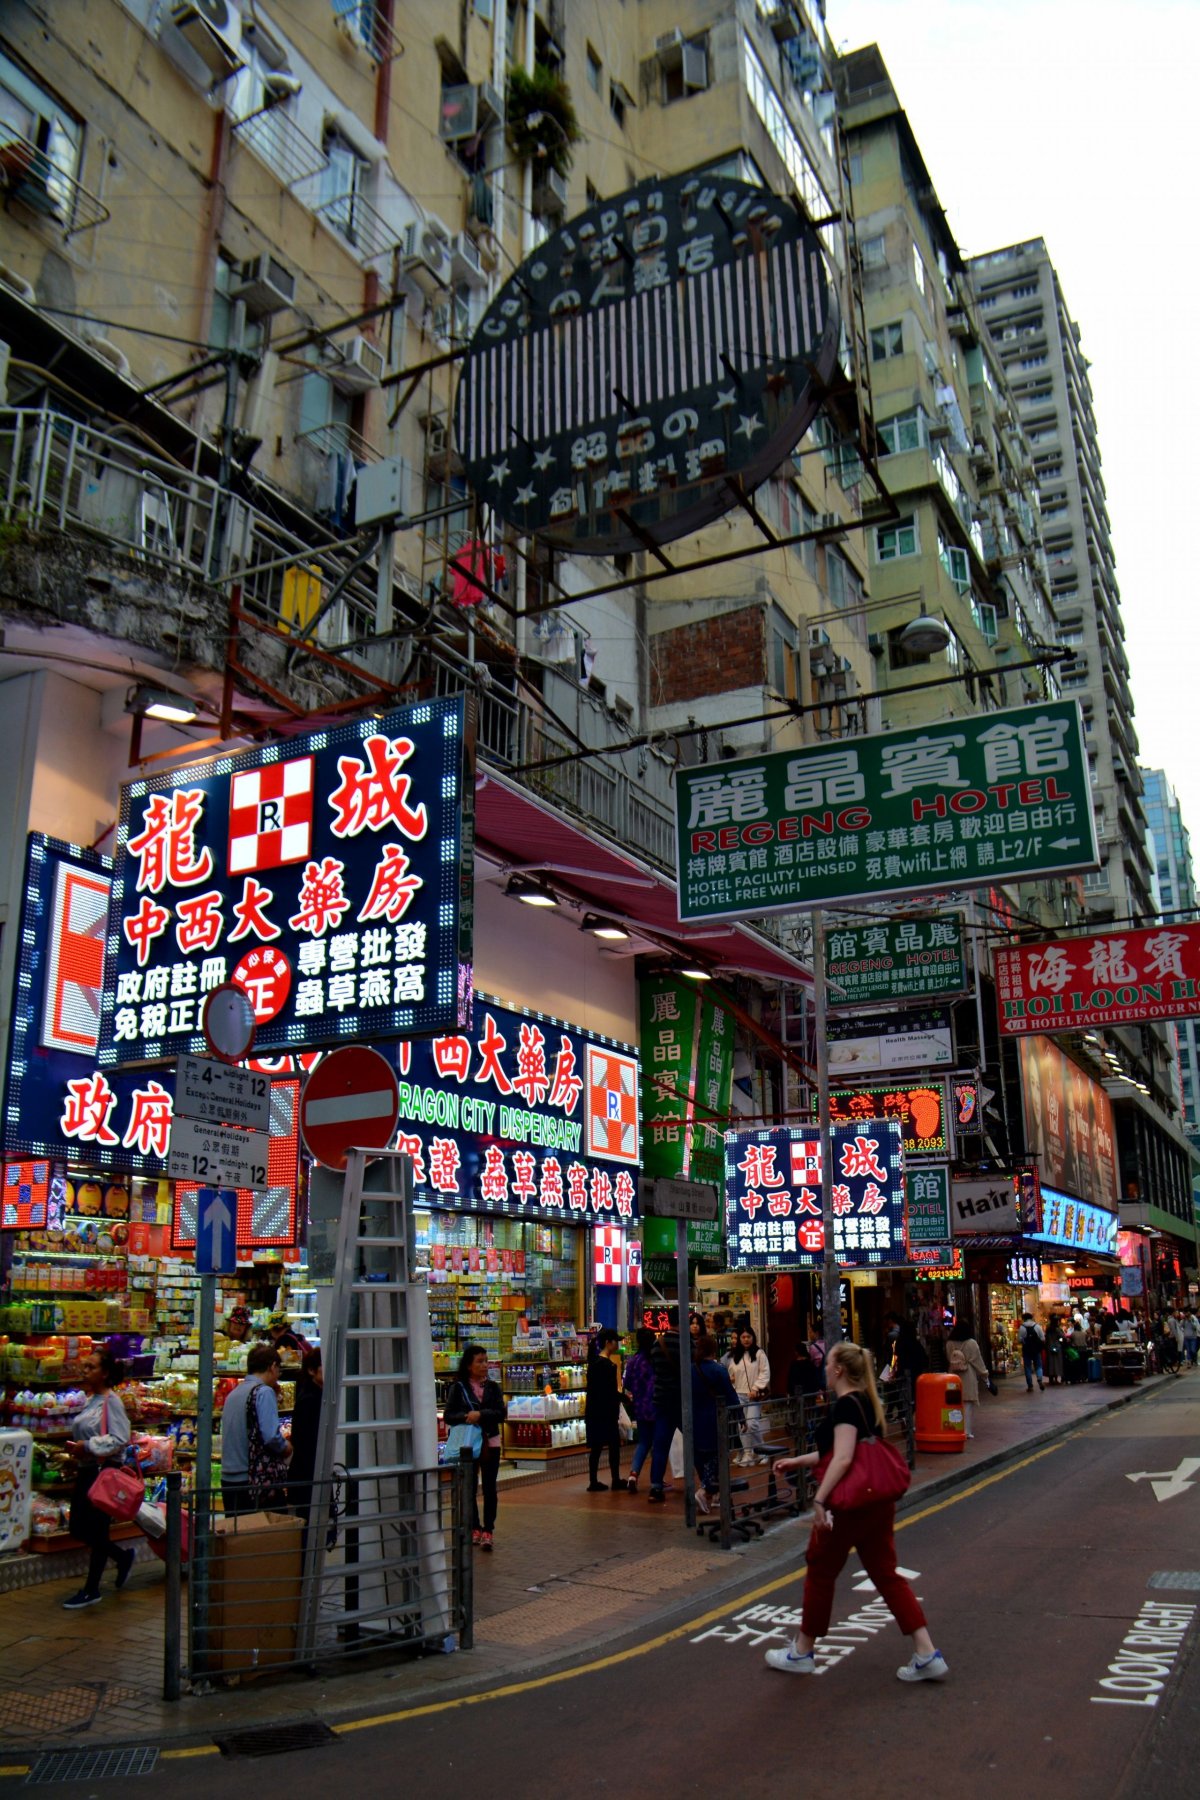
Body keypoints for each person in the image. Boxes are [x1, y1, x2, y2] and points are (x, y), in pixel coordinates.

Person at [768, 1341, 947, 1682]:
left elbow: (844, 1458)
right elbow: (844, 1451)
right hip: (876, 1504)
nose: (824, 1368)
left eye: (828, 1363)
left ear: (838, 1370)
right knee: (886, 1574)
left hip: (848, 1506)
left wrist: (820, 1500)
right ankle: (926, 1652)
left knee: (820, 1571)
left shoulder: (845, 1406)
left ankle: (802, 1652)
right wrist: (798, 1461)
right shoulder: (867, 1403)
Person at [62, 1345, 135, 1609]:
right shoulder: (90, 1400)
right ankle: (122, 1557)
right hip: (88, 1470)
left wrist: (89, 1446)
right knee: (80, 1527)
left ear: (104, 1373)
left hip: (103, 1473)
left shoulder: (111, 1402)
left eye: (91, 1367)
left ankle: (92, 1588)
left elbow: (120, 1438)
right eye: (85, 1365)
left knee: (95, 1528)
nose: (85, 1370)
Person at [444, 1344, 506, 1550]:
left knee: (490, 1488)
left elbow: (501, 1413)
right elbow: (448, 1416)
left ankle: (489, 1529)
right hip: (468, 1444)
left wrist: (480, 1415)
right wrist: (466, 1416)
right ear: (469, 1365)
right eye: (479, 1362)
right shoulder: (459, 1388)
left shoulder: (493, 1387)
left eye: (486, 1361)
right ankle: (474, 1527)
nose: (484, 1365)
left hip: (490, 1443)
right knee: (468, 1488)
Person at [220, 1343, 291, 1517]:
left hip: (229, 1480)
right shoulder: (264, 1392)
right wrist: (286, 1447)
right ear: (272, 1366)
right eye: (279, 1370)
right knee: (267, 1530)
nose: (278, 1375)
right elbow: (271, 1437)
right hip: (254, 1480)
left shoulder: (234, 1393)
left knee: (238, 1532)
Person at [691, 1334, 741, 1514]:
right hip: (716, 1420)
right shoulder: (719, 1370)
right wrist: (740, 1416)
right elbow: (730, 1394)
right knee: (718, 1457)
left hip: (696, 1420)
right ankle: (706, 1490)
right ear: (713, 1350)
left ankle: (714, 1493)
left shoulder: (691, 1370)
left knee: (703, 1458)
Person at [647, 1321, 683, 1504]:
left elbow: (654, 1369)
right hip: (682, 1400)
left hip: (661, 1400)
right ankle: (708, 1482)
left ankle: (655, 1487)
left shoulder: (657, 1344)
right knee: (696, 1441)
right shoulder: (686, 1343)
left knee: (660, 1446)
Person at [585, 1329, 623, 1493]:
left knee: (596, 1447)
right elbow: (610, 1390)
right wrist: (624, 1398)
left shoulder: (593, 1363)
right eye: (616, 1341)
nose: (617, 1344)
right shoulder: (607, 1365)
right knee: (614, 1445)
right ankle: (615, 1479)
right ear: (608, 1342)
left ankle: (593, 1481)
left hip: (594, 1411)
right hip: (606, 1412)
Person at [725, 1327, 771, 1465]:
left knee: (752, 1424)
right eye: (743, 1337)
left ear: (753, 1337)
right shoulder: (735, 1356)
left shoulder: (759, 1353)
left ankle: (762, 1451)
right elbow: (731, 1373)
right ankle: (748, 1453)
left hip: (753, 1396)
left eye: (748, 1337)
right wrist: (732, 1380)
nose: (746, 1339)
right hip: (738, 1394)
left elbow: (765, 1372)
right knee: (742, 1426)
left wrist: (756, 1388)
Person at [287, 1347, 323, 1521]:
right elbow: (304, 1442)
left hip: (309, 1472)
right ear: (311, 1370)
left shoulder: (315, 1396)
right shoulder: (309, 1399)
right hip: (309, 1472)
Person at [622, 1327, 657, 1493]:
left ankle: (633, 1474)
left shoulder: (633, 1361)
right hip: (657, 1406)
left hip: (640, 1406)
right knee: (658, 1444)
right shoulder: (655, 1359)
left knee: (643, 1442)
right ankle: (657, 1480)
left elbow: (627, 1383)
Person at [947, 1321, 990, 1439]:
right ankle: (966, 1431)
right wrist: (985, 1375)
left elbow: (948, 1357)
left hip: (953, 1376)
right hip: (968, 1376)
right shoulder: (972, 1343)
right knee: (967, 1404)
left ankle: (954, 1427)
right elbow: (978, 1362)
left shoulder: (949, 1343)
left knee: (954, 1404)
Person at [1018, 1312, 1045, 1392]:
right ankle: (1039, 1378)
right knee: (1038, 1366)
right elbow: (1043, 1338)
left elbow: (1019, 1339)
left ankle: (1030, 1386)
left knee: (1027, 1367)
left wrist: (1024, 1341)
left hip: (1026, 1349)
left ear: (1024, 1319)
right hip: (1036, 1349)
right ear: (1031, 1318)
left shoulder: (1022, 1327)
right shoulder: (1037, 1326)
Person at [1045, 1314, 1065, 1385]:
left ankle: (1051, 1379)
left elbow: (1046, 1338)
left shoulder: (1048, 1329)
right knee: (1056, 1363)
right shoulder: (1058, 1329)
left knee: (1050, 1363)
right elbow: (1062, 1337)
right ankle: (1056, 1379)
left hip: (1049, 1347)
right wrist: (1060, 1340)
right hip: (1057, 1346)